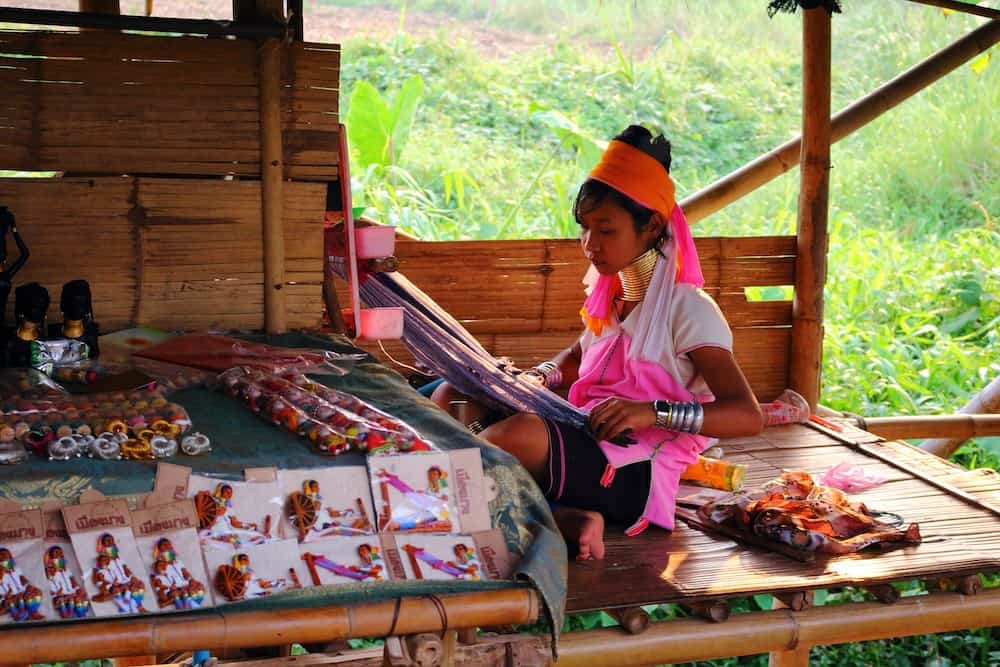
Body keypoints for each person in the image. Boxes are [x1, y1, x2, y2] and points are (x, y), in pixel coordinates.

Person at [433, 125, 763, 560]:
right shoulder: (614, 294)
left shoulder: (689, 310)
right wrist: (537, 377)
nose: (590, 244)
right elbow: (575, 356)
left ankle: (452, 503)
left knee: (516, 437)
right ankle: (563, 516)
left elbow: (747, 416)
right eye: (585, 228)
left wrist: (650, 412)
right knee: (452, 392)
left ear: (651, 226)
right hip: (586, 430)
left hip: (636, 470)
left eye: (606, 230)